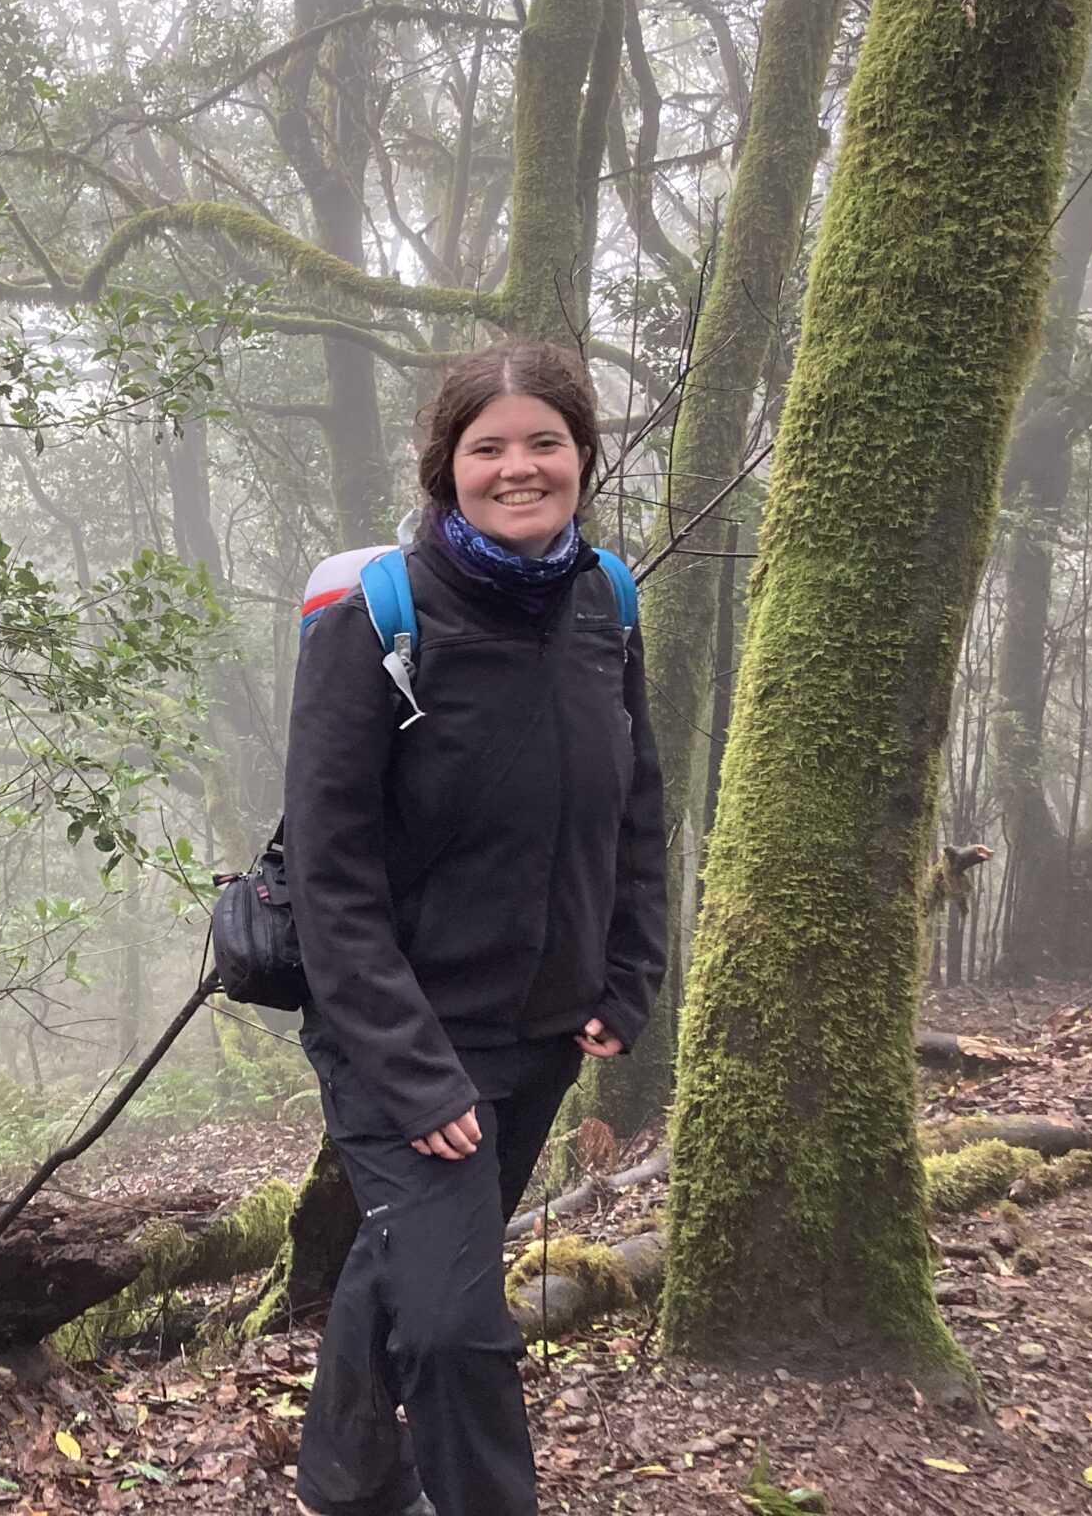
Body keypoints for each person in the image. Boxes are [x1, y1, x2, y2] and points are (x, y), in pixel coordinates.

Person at [284, 342, 668, 1516]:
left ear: (583, 456)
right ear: (445, 467)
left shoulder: (604, 602)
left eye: (544, 442)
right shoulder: (379, 619)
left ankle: (343, 1485)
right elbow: (330, 875)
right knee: (457, 1331)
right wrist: (413, 1076)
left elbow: (635, 807)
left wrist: (629, 971)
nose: (518, 468)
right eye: (487, 447)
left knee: (402, 1264)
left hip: (542, 1033)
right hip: (402, 1043)